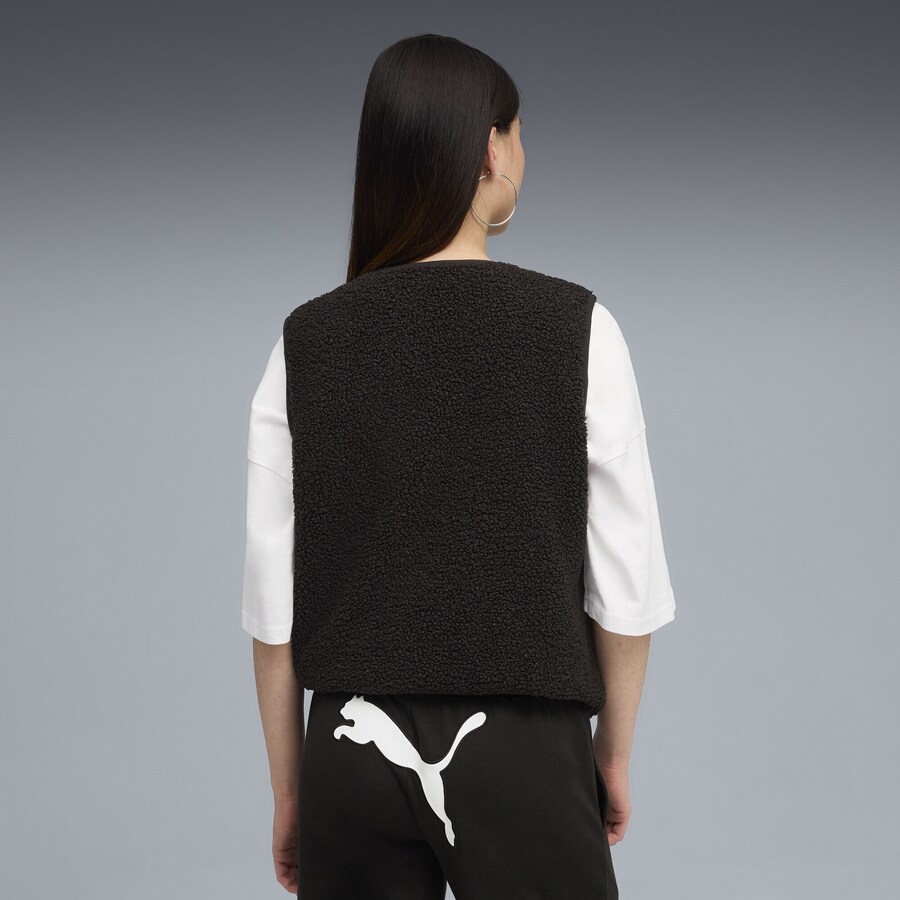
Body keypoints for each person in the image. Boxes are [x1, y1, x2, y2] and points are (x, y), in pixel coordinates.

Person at [241, 33, 676, 900]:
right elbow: (626, 589)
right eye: (519, 133)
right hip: (525, 746)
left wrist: (292, 792)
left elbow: (271, 610)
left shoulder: (304, 345)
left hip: (350, 750)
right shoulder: (579, 330)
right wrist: (612, 755)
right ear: (489, 150)